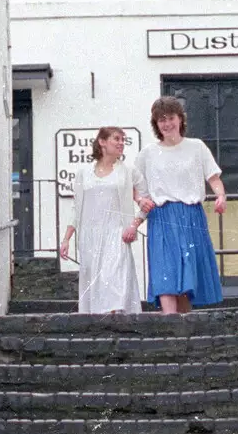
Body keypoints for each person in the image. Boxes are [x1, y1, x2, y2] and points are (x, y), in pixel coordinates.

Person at [134, 96, 225, 314]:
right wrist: (140, 200)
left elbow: (213, 178)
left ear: (180, 119)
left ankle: (183, 327)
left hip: (191, 215)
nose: (167, 124)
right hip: (162, 217)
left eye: (171, 118)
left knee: (186, 276)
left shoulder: (197, 147)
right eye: (161, 120)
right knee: (166, 271)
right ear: (156, 124)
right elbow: (135, 185)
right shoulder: (147, 153)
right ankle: (169, 321)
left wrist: (221, 196)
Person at [58, 126, 142, 315]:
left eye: (123, 140)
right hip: (90, 235)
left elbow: (142, 196)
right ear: (102, 142)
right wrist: (66, 239)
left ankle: (116, 320)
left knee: (114, 278)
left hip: (116, 232)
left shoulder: (127, 171)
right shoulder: (83, 173)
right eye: (116, 139)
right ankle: (100, 324)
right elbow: (76, 207)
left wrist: (134, 223)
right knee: (95, 281)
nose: (121, 143)